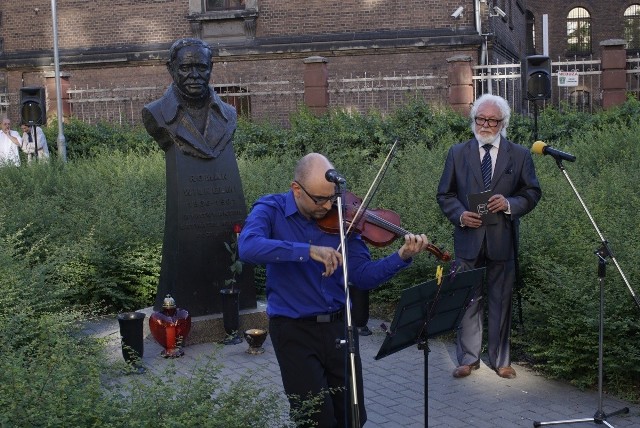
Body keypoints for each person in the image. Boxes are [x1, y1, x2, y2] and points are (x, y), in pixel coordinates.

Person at [238, 153, 431, 428]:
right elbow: (248, 247)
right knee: (315, 420)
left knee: (352, 418)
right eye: (319, 199)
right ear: (296, 189)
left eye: (331, 197)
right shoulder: (270, 209)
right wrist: (307, 251)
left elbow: (363, 277)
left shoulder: (343, 218)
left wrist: (400, 257)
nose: (328, 205)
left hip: (341, 328)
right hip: (294, 331)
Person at [142, 38, 252, 317]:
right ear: (171, 68)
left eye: (201, 67)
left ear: (211, 67)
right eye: (186, 67)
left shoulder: (228, 114)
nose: (194, 75)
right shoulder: (157, 114)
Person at [436, 94, 541, 380]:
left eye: (492, 120)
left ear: (502, 123)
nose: (485, 124)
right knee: (469, 298)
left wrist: (509, 204)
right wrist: (459, 215)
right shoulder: (457, 153)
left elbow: (531, 192)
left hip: (501, 239)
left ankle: (501, 360)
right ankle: (468, 359)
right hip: (468, 239)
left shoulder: (518, 154)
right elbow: (444, 194)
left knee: (501, 299)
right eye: (480, 119)